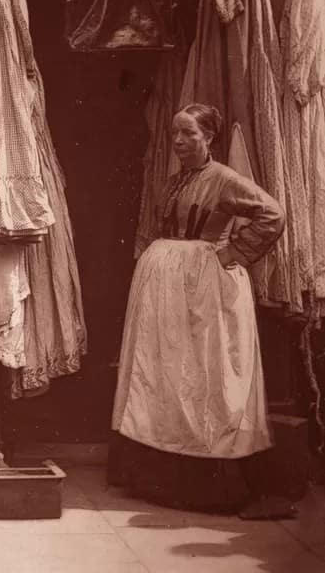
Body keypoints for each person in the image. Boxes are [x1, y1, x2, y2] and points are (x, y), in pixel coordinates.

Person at [111, 103, 294, 518]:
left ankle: (217, 487)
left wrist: (234, 251)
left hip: (205, 288)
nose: (178, 141)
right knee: (169, 376)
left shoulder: (225, 179)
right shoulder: (176, 180)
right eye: (175, 133)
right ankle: (161, 479)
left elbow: (272, 213)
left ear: (208, 137)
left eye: (188, 134)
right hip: (166, 288)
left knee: (208, 377)